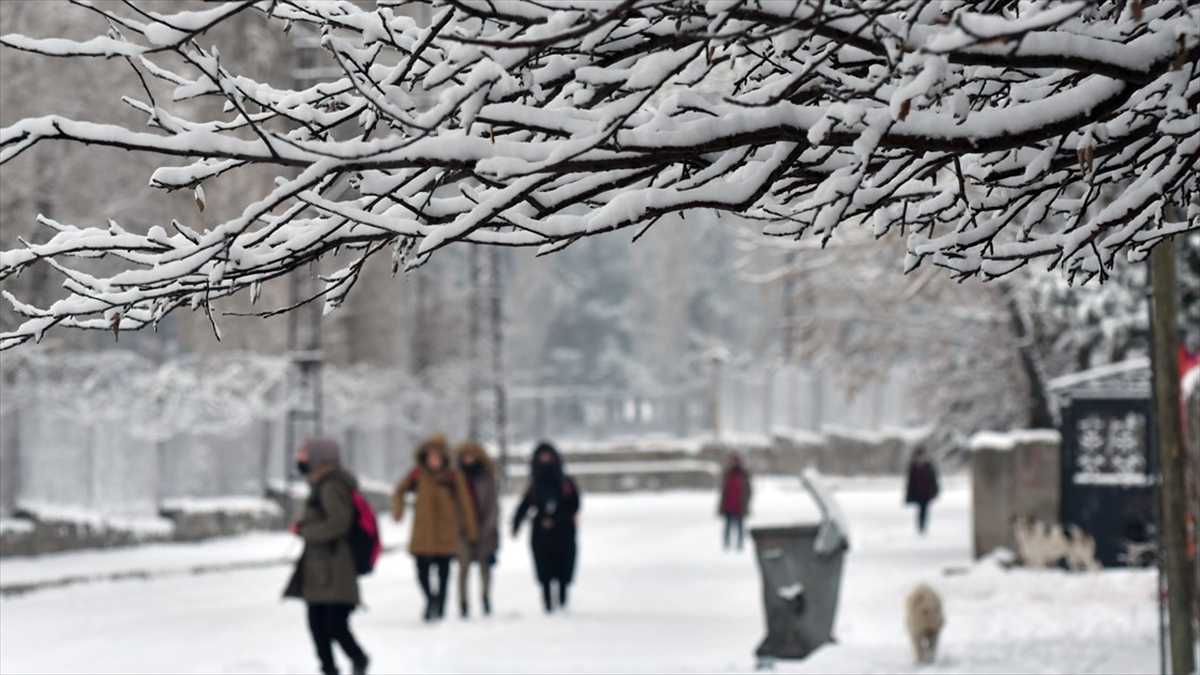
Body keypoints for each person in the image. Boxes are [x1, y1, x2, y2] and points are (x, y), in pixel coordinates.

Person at [283, 437, 370, 675]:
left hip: (334, 568)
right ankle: (330, 668)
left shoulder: (330, 485)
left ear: (319, 457)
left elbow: (339, 521)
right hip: (321, 568)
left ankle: (357, 660)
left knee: (332, 624)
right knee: (318, 625)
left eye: (304, 453)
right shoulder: (321, 483)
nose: (299, 457)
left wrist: (306, 531)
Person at [393, 433, 479, 622]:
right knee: (421, 572)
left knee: (444, 574)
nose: (434, 460)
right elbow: (399, 490)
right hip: (422, 533)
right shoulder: (417, 475)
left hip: (445, 533)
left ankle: (439, 607)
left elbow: (466, 505)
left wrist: (471, 531)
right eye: (431, 456)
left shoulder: (453, 477)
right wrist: (398, 512)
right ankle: (430, 599)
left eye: (437, 457)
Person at [512, 441, 580, 614]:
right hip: (541, 533)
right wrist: (516, 524)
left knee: (563, 566)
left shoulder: (566, 483)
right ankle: (547, 600)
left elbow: (574, 505)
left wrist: (556, 520)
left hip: (563, 531)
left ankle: (563, 598)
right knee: (544, 567)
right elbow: (525, 504)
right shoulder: (535, 485)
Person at [455, 440, 500, 618]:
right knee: (463, 568)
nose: (468, 459)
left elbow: (493, 505)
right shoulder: (457, 479)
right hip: (463, 531)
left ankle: (486, 597)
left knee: (485, 567)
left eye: (470, 455)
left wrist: (488, 526)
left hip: (485, 530)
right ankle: (463, 602)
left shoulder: (486, 478)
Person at [717, 452, 752, 551]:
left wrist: (746, 502)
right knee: (727, 527)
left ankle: (740, 544)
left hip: (739, 505)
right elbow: (723, 490)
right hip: (728, 505)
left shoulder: (743, 474)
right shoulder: (728, 473)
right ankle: (726, 544)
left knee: (740, 527)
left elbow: (748, 490)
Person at [905, 447, 940, 535]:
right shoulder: (913, 467)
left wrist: (935, 491)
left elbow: (933, 480)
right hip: (918, 493)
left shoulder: (928, 466)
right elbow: (910, 482)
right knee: (920, 510)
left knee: (925, 510)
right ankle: (920, 526)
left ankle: (923, 526)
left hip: (926, 493)